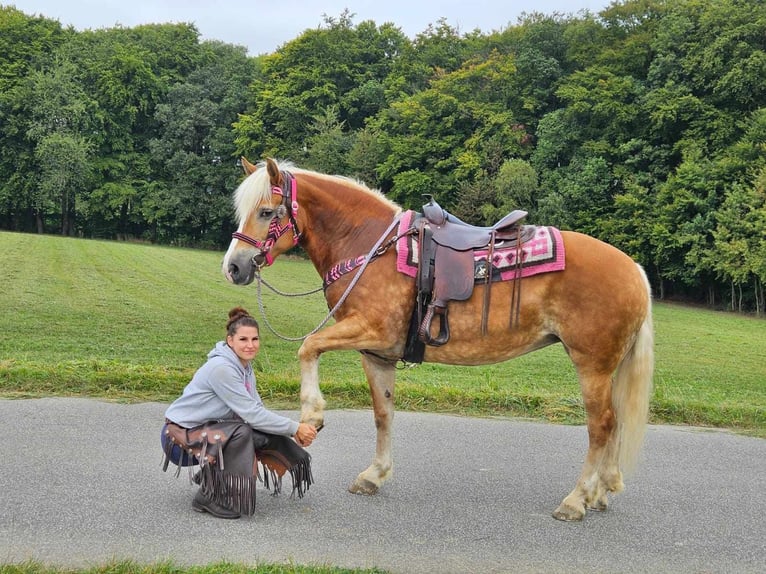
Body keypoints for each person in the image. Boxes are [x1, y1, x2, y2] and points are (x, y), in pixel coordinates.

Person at [161, 306, 318, 519]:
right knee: (242, 432)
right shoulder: (222, 368)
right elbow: (251, 415)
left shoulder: (243, 367)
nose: (250, 345)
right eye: (243, 339)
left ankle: (212, 478)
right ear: (230, 341)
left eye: (255, 339)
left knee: (258, 435)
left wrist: (289, 432)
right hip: (179, 438)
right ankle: (207, 496)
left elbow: (257, 411)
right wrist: (295, 428)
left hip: (204, 432)